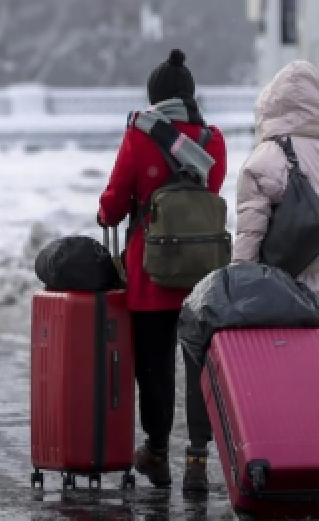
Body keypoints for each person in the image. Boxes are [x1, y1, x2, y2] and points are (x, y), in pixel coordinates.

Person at [179, 60, 319, 494]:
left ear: (271, 107)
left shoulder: (265, 160)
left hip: (282, 303)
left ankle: (280, 478)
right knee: (313, 396)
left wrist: (235, 296)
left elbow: (249, 241)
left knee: (277, 402)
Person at [97, 49, 227, 489]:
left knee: (153, 366)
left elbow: (114, 204)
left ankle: (155, 452)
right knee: (198, 368)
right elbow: (208, 194)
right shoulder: (213, 142)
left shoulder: (140, 136)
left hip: (152, 275)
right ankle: (197, 459)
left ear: (154, 98)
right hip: (202, 277)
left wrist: (105, 215)